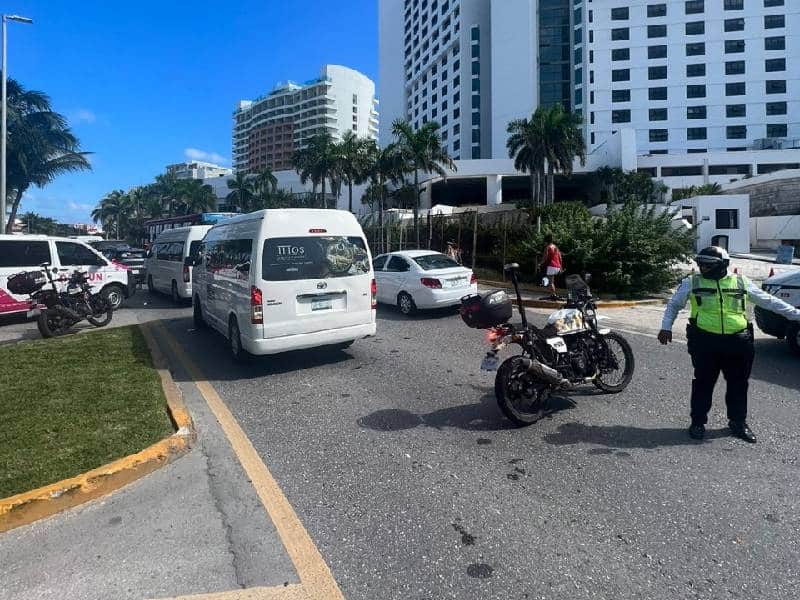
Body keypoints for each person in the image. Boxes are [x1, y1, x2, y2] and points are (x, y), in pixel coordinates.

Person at [658, 246, 800, 443]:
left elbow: (768, 301)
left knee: (738, 384)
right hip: (705, 341)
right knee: (703, 383)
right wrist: (666, 327)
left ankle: (738, 423)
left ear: (723, 265)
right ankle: (697, 423)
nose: (703, 268)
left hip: (738, 341)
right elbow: (674, 304)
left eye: (708, 265)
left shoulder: (740, 281)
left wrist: (796, 315)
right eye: (701, 264)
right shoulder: (692, 282)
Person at [539, 234, 563, 300]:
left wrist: (540, 264)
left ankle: (553, 295)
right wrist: (561, 267)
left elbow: (545, 258)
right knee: (551, 281)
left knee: (550, 282)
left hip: (551, 266)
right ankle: (553, 294)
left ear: (546, 241)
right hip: (558, 266)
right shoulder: (556, 247)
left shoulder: (548, 247)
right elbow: (560, 258)